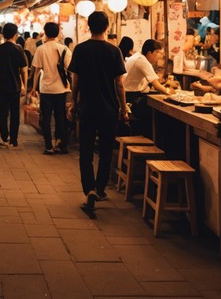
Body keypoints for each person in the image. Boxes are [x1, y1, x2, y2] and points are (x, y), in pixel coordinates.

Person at [70, 11, 127, 214]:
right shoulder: (114, 51)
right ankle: (101, 188)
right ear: (107, 27)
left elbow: (75, 82)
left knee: (85, 151)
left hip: (87, 108)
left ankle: (90, 189)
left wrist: (73, 104)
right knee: (105, 151)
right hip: (108, 109)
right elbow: (119, 84)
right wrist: (124, 108)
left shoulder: (80, 49)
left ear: (88, 26)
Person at [29, 21, 71, 155]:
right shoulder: (64, 49)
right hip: (61, 89)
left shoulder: (41, 49)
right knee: (60, 117)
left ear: (45, 33)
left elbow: (36, 71)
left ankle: (48, 146)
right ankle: (59, 144)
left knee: (46, 118)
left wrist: (34, 88)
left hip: (45, 89)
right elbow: (69, 69)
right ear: (58, 33)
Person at [123, 39, 175, 137]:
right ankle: (154, 141)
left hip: (127, 96)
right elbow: (156, 84)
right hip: (131, 98)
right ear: (151, 52)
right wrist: (169, 91)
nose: (159, 57)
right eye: (159, 54)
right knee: (159, 114)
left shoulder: (137, 56)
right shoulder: (142, 60)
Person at [0, 22, 27, 149]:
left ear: (3, 34)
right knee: (15, 114)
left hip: (0, 86)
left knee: (3, 114)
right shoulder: (19, 49)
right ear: (15, 35)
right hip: (15, 86)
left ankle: (5, 138)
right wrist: (25, 86)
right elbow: (23, 70)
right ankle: (14, 140)